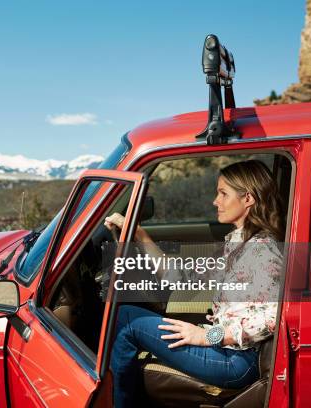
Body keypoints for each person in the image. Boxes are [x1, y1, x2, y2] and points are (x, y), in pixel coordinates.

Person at [104, 160, 284, 407]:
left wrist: (209, 335)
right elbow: (182, 279)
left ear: (248, 199)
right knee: (126, 315)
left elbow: (274, 317)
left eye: (223, 193)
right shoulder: (238, 243)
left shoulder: (263, 250)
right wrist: (139, 235)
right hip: (229, 352)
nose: (215, 201)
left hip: (235, 361)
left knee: (127, 322)